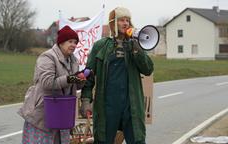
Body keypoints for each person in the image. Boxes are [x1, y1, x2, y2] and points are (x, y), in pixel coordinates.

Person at [80, 7, 154, 144]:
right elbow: (88, 74)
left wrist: (137, 49)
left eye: (128, 20)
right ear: (113, 23)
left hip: (131, 106)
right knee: (103, 140)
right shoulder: (100, 46)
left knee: (137, 140)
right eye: (121, 20)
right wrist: (86, 99)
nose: (125, 23)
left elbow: (148, 69)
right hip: (107, 106)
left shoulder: (135, 45)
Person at [18, 25, 85, 144]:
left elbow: (73, 85)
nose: (74, 45)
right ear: (61, 42)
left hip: (62, 113)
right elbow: (47, 82)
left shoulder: (73, 60)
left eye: (75, 42)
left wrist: (83, 80)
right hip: (44, 112)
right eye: (70, 41)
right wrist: (70, 78)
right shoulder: (47, 57)